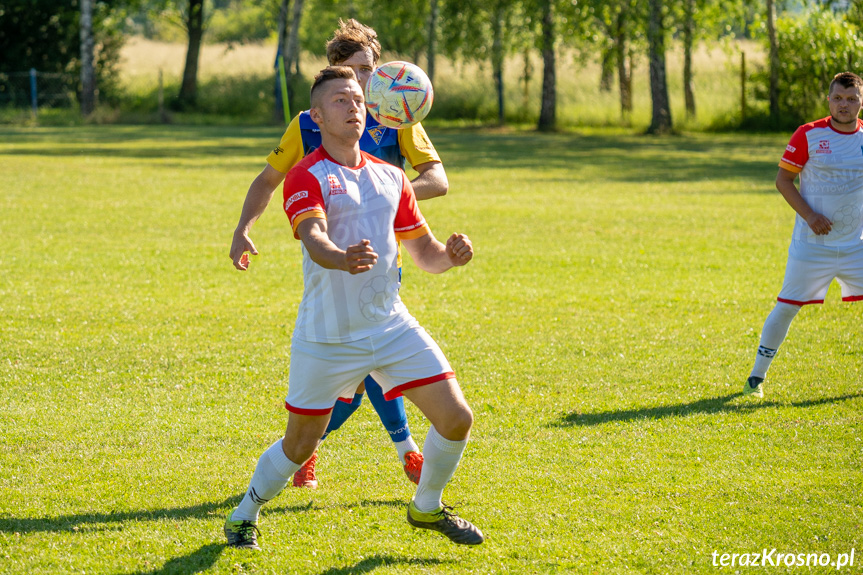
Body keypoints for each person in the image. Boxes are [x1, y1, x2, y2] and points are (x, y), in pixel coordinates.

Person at [224, 66, 483, 550]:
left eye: (358, 100)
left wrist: (450, 256)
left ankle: (426, 507)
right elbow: (316, 240)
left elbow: (423, 253)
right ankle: (245, 512)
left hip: (390, 326)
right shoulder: (306, 174)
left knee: (457, 418)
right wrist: (341, 258)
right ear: (316, 116)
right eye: (341, 100)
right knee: (299, 446)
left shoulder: (392, 177)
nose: (354, 107)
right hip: (327, 337)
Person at [229, 19, 448, 488]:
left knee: (371, 354)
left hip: (380, 256)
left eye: (368, 70)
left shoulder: (398, 116)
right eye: (349, 73)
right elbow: (268, 180)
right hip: (327, 256)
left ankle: (339, 450)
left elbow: (438, 179)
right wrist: (243, 228)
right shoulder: (309, 123)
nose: (360, 84)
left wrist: (383, 195)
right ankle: (350, 449)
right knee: (361, 362)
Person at [745, 71, 863, 398]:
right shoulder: (808, 134)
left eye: (852, 99)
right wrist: (810, 215)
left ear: (861, 101)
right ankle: (756, 378)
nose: (844, 104)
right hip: (813, 247)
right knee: (786, 307)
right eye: (838, 98)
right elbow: (783, 181)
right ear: (829, 99)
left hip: (857, 247)